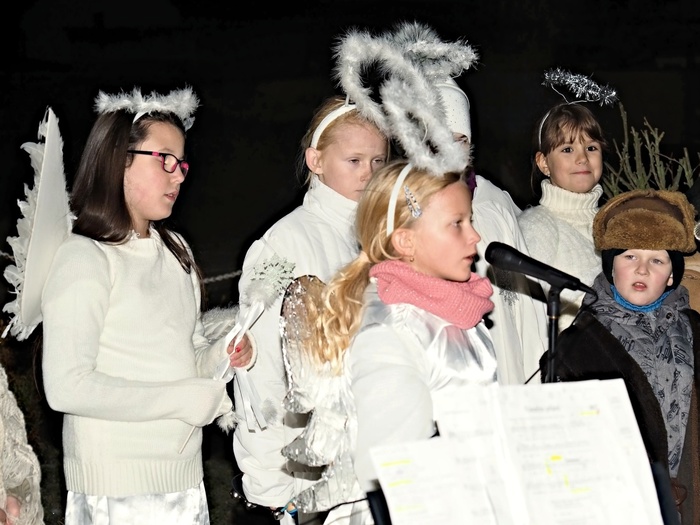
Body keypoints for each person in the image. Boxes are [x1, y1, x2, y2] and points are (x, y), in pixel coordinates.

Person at [39, 86, 254, 524]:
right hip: (116, 490)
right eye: (165, 161)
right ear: (119, 159)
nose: (179, 176)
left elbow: (186, 353)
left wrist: (223, 355)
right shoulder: (85, 257)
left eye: (182, 164)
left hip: (183, 481)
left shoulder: (176, 251)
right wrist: (180, 400)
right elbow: (66, 386)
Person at [281, 160, 498, 523]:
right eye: (457, 223)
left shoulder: (456, 309)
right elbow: (389, 470)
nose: (475, 236)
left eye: (470, 220)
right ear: (405, 241)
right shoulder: (391, 330)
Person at [231, 95, 389, 522]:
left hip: (370, 460)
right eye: (354, 161)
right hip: (306, 479)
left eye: (378, 161)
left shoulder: (380, 236)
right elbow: (259, 373)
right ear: (316, 160)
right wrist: (271, 485)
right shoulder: (284, 244)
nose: (369, 173)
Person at [542, 189, 699, 524]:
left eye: (657, 260)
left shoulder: (694, 330)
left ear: (672, 275)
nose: (642, 269)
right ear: (611, 265)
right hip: (617, 504)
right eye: (629, 257)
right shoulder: (579, 344)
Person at [435, 76, 548, 384]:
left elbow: (526, 303)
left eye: (459, 141)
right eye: (438, 141)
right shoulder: (405, 208)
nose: (449, 152)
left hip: (504, 351)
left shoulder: (493, 202)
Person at [518, 102, 608, 331]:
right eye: (567, 149)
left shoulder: (613, 222)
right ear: (544, 163)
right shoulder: (537, 226)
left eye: (591, 147)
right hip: (567, 349)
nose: (582, 158)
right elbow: (528, 311)